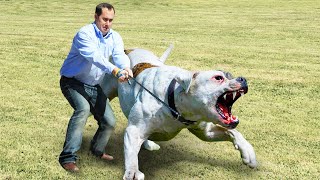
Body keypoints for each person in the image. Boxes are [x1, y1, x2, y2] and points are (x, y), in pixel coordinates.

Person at [58, 3, 132, 172]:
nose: (107, 23)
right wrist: (115, 70)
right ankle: (67, 157)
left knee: (109, 122)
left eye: (111, 20)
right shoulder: (84, 34)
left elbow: (119, 55)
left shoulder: (115, 36)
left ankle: (97, 150)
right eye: (104, 19)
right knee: (83, 110)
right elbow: (95, 57)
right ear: (96, 17)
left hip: (93, 85)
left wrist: (126, 68)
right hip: (72, 81)